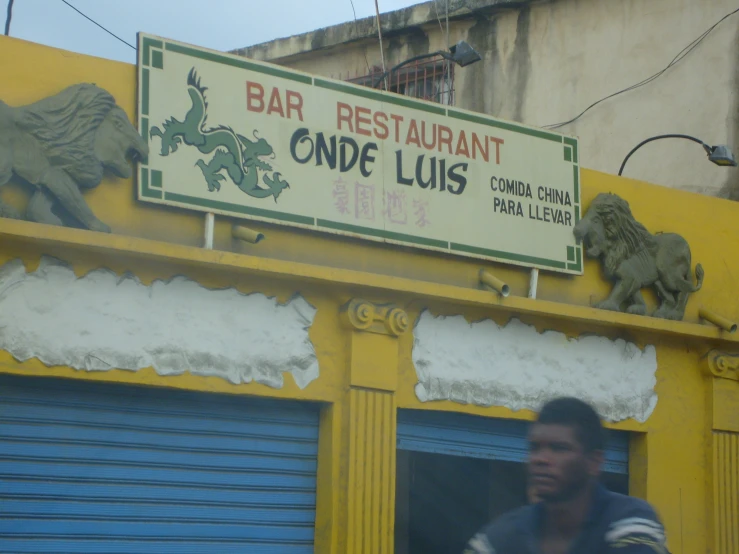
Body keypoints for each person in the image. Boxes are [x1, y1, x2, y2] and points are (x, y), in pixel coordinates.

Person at [463, 397, 670, 554]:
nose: (540, 459)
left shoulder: (630, 521)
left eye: (559, 448)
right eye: (535, 448)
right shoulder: (501, 535)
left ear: (594, 461)